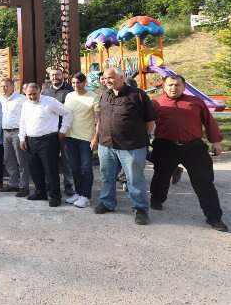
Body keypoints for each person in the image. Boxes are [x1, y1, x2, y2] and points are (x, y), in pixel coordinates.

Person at [149, 74, 227, 232]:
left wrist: (216, 141)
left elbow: (209, 122)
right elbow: (144, 122)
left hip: (193, 148)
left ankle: (214, 218)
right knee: (161, 176)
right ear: (164, 87)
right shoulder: (155, 103)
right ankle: (157, 199)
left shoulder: (196, 102)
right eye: (170, 85)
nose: (173, 88)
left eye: (177, 85)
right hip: (165, 146)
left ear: (184, 87)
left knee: (204, 182)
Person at [94, 67, 156, 225]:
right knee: (107, 176)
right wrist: (96, 138)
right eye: (105, 78)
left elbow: (150, 121)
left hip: (132, 146)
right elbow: (100, 119)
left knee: (134, 179)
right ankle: (107, 202)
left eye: (110, 77)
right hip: (106, 145)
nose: (107, 81)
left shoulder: (138, 95)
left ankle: (140, 209)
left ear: (122, 78)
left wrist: (142, 138)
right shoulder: (104, 94)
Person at [18, 83, 73, 207]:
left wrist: (63, 129)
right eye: (29, 94)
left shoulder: (50, 102)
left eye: (34, 94)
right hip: (31, 140)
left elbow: (68, 113)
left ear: (40, 91)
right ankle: (40, 192)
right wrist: (22, 138)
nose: (32, 97)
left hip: (48, 141)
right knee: (35, 169)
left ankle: (55, 196)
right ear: (25, 93)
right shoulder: (25, 104)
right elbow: (23, 121)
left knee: (50, 170)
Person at [63, 73, 99, 208]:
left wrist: (96, 137)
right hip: (70, 137)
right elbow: (66, 114)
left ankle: (85, 196)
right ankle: (78, 193)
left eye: (78, 82)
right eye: (73, 83)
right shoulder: (69, 96)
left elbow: (98, 119)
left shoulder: (93, 97)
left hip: (86, 138)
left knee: (86, 168)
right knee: (74, 167)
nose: (75, 85)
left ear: (85, 83)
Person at [41, 68, 75, 197]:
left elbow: (71, 111)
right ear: (49, 77)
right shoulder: (45, 92)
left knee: (67, 160)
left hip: (65, 131)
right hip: (49, 131)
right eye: (52, 75)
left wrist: (64, 129)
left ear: (62, 76)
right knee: (50, 160)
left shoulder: (70, 91)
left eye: (57, 75)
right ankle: (50, 184)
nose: (55, 77)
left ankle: (69, 185)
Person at [0, 78, 29, 197]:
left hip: (18, 132)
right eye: (2, 86)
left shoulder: (21, 99)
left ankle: (24, 186)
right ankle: (13, 183)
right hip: (5, 132)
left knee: (21, 160)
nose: (4, 88)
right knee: (8, 159)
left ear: (12, 86)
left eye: (6, 86)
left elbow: (26, 117)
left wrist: (24, 135)